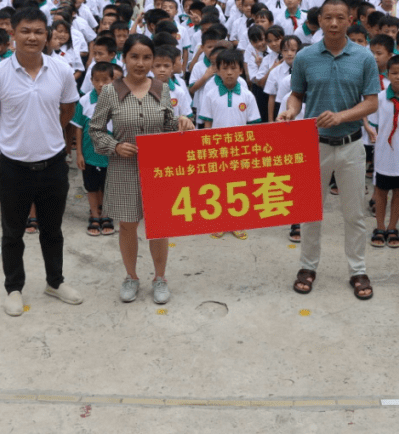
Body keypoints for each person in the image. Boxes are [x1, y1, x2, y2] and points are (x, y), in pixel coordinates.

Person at [0, 7, 83, 316]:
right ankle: (14, 288)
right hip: (14, 167)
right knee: (13, 234)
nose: (32, 37)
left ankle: (55, 281)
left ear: (46, 35)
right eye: (25, 31)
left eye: (39, 31)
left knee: (53, 230)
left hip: (53, 165)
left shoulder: (61, 70)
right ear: (13, 34)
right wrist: (9, 138)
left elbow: (68, 109)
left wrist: (52, 137)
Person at [279, 0, 380, 301]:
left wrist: (341, 116)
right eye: (328, 18)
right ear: (319, 21)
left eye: (340, 17)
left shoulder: (364, 58)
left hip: (351, 145)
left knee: (355, 215)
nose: (334, 23)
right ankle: (308, 267)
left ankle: (358, 270)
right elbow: (297, 95)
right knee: (310, 212)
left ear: (351, 20)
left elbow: (371, 102)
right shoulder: (306, 57)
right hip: (314, 146)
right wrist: (290, 110)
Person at [89, 34, 194, 304]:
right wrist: (114, 146)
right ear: (123, 59)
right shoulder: (111, 91)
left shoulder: (161, 88)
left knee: (158, 226)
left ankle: (160, 278)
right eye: (134, 57)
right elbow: (96, 130)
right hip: (123, 167)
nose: (141, 63)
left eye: (147, 57)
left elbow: (169, 125)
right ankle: (131, 276)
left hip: (158, 168)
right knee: (127, 225)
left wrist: (182, 121)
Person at [197, 47, 261, 240]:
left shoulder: (248, 96)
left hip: (240, 149)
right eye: (225, 68)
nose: (229, 72)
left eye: (233, 68)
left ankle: (237, 221)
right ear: (217, 70)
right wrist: (206, 150)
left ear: (241, 70)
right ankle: (220, 221)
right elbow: (207, 124)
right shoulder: (211, 95)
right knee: (218, 187)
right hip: (217, 149)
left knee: (239, 187)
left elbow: (253, 126)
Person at [371, 54, 399, 249]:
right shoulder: (379, 98)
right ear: (387, 75)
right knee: (380, 191)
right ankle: (379, 226)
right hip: (384, 154)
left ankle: (393, 226)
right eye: (394, 73)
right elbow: (371, 121)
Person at [72, 61, 117, 237]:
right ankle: (95, 215)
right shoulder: (84, 101)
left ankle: (106, 214)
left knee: (108, 187)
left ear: (113, 80)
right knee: (91, 187)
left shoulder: (119, 100)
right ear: (91, 80)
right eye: (97, 80)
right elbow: (78, 127)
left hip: (110, 154)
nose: (100, 84)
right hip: (89, 154)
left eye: (105, 80)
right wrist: (79, 154)